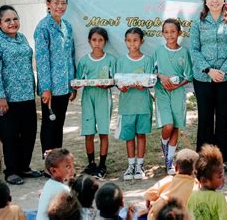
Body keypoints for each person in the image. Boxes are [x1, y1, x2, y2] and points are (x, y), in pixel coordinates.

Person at [189, 0, 227, 167]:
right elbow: (194, 50)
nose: (214, 0)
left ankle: (220, 160)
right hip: (203, 78)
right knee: (205, 117)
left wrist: (222, 71)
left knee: (223, 117)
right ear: (205, 0)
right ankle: (204, 160)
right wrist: (209, 70)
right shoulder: (198, 22)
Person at [0, 5, 40, 185]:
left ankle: (24, 167)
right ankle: (11, 171)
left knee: (29, 133)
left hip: (26, 96)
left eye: (15, 19)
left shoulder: (22, 38)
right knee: (9, 136)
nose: (12, 23)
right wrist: (0, 96)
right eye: (7, 20)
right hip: (6, 99)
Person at [34, 0, 76, 156]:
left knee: (59, 124)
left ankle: (57, 160)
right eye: (56, 2)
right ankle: (48, 163)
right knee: (49, 124)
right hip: (50, 88)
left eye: (63, 3)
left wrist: (72, 84)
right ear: (48, 4)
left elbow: (70, 56)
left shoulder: (67, 26)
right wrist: (45, 88)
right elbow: (42, 60)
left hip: (64, 86)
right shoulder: (43, 27)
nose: (60, 6)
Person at [74, 27, 116, 179]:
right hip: (88, 96)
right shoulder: (84, 60)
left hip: (103, 96)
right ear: (89, 41)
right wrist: (76, 86)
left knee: (103, 132)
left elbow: (114, 80)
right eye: (94, 40)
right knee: (88, 132)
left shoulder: (110, 59)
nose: (97, 43)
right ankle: (91, 163)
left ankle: (102, 164)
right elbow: (79, 80)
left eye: (100, 40)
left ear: (105, 42)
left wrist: (108, 85)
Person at [154, 18, 193, 175]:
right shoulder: (158, 51)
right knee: (168, 125)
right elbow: (153, 71)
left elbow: (189, 75)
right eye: (166, 32)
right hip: (162, 92)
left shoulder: (184, 52)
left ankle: (169, 162)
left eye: (173, 31)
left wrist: (178, 85)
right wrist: (161, 77)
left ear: (179, 33)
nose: (169, 34)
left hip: (177, 93)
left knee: (175, 126)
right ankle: (164, 143)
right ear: (162, 33)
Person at [116, 27, 153, 181]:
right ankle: (131, 165)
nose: (132, 43)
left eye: (135, 40)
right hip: (127, 105)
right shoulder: (121, 61)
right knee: (129, 136)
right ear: (125, 42)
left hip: (143, 104)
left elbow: (150, 80)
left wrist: (143, 85)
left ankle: (140, 165)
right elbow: (118, 81)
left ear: (141, 41)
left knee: (141, 134)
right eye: (129, 40)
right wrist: (122, 86)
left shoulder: (147, 60)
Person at [142, 148, 199, 219]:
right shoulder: (196, 185)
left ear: (175, 168)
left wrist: (149, 207)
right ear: (196, 170)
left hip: (159, 216)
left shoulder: (168, 180)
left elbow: (148, 195)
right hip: (183, 217)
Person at [187, 144, 227, 220]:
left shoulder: (192, 197)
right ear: (205, 181)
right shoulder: (218, 198)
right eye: (220, 176)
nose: (223, 179)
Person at [37, 148, 75, 220]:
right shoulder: (63, 189)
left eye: (73, 165)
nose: (72, 170)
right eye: (67, 166)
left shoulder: (49, 183)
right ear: (53, 170)